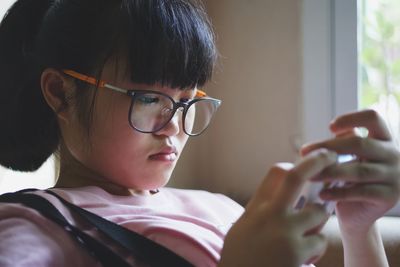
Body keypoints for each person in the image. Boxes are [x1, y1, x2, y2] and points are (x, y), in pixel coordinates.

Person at [0, 0, 399, 266]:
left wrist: (358, 228)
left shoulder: (219, 208)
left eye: (187, 100)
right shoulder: (32, 226)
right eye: (148, 98)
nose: (174, 124)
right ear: (59, 93)